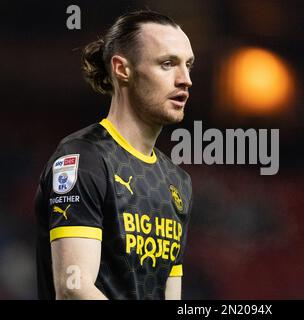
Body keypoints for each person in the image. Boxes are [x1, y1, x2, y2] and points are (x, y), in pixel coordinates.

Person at [35, 9, 194, 300]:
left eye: (188, 65)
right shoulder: (82, 159)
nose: (185, 80)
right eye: (168, 64)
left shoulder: (177, 182)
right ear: (122, 69)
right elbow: (73, 288)